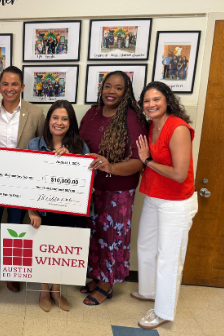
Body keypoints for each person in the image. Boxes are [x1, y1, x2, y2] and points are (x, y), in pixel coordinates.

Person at [131, 82, 200, 329]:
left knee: (169, 257)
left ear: (167, 100)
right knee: (146, 246)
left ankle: (163, 311)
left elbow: (180, 174)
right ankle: (149, 291)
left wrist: (147, 160)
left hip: (176, 202)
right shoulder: (152, 125)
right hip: (154, 195)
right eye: (147, 101)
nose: (151, 105)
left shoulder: (178, 128)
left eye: (156, 99)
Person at [78, 71, 147, 306]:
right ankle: (97, 277)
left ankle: (107, 285)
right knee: (94, 236)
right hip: (89, 189)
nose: (111, 91)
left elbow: (139, 162)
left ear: (126, 91)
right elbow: (78, 145)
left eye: (118, 87)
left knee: (112, 238)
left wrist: (110, 166)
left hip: (118, 190)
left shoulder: (132, 118)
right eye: (108, 86)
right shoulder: (92, 112)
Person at [0, 66, 44, 304]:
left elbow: (41, 150)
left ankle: (13, 273)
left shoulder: (35, 113)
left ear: (22, 87)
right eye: (5, 84)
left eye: (14, 84)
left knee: (17, 229)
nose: (9, 88)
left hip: (22, 184)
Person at [24, 100, 91, 312]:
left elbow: (89, 181)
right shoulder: (34, 144)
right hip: (42, 211)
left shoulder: (81, 147)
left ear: (70, 123)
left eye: (64, 118)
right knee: (44, 249)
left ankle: (56, 290)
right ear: (48, 120)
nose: (59, 122)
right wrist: (31, 211)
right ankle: (44, 290)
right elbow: (27, 181)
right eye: (55, 117)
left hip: (67, 210)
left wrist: (72, 161)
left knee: (61, 250)